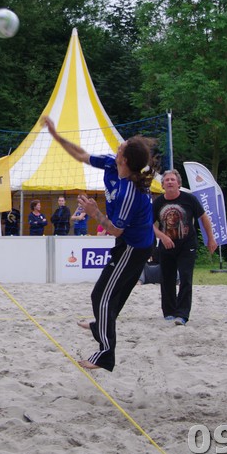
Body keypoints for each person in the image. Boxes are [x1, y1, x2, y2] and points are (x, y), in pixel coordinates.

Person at [44, 116, 156, 372]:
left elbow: (116, 230)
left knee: (102, 297)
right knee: (110, 296)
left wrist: (94, 212)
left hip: (134, 248)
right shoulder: (111, 164)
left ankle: (105, 355)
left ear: (124, 159)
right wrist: (56, 136)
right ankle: (100, 326)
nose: (118, 146)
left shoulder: (130, 192)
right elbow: (81, 155)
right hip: (129, 243)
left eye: (121, 146)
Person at [153, 169, 218, 326]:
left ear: (178, 184)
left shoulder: (189, 199)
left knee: (185, 277)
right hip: (166, 245)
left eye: (172, 180)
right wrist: (163, 237)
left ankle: (182, 314)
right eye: (167, 180)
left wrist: (211, 238)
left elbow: (204, 218)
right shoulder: (158, 203)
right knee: (167, 279)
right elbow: (149, 225)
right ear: (162, 185)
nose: (170, 182)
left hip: (187, 245)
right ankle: (169, 311)